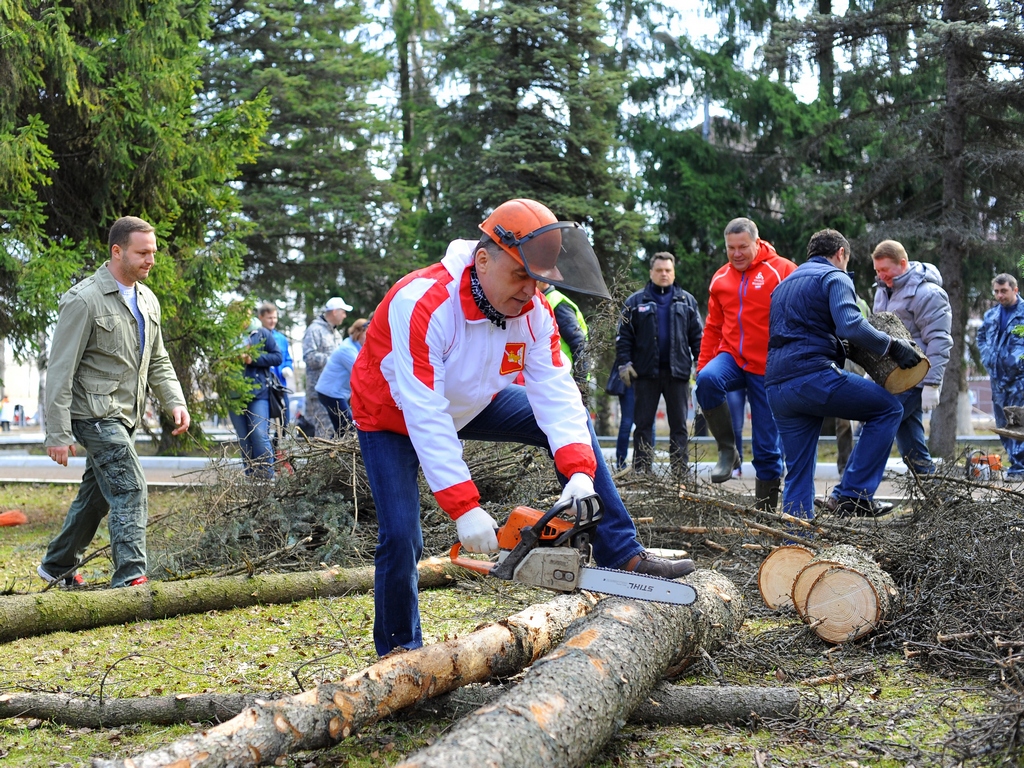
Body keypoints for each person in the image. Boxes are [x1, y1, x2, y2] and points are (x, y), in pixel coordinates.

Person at [349, 198, 695, 657]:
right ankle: (399, 652)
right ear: (484, 259)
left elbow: (556, 392)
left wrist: (578, 474)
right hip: (393, 414)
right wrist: (464, 506)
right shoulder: (423, 302)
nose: (530, 290)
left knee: (571, 432)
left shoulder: (534, 312)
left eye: (538, 279)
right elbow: (425, 414)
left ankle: (621, 553)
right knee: (401, 534)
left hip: (472, 402)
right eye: (520, 276)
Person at [39, 216, 190, 588]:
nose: (150, 260)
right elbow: (60, 370)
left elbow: (157, 360)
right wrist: (57, 433)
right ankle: (130, 578)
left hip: (124, 418)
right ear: (117, 251)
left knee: (97, 497)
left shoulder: (147, 300)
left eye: (153, 253)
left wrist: (175, 401)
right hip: (93, 415)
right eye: (142, 253)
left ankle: (56, 566)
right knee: (130, 487)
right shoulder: (83, 299)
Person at [765, 229, 918, 518]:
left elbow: (799, 331)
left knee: (798, 473)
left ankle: (796, 543)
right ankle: (854, 495)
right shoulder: (834, 277)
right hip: (813, 378)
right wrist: (893, 346)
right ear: (841, 254)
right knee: (887, 409)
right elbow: (850, 324)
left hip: (777, 386)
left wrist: (837, 346)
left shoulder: (783, 286)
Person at [695, 218, 796, 511]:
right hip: (732, 357)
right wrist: (702, 367)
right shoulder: (720, 279)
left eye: (742, 247)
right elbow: (712, 327)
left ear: (757, 242)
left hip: (769, 366)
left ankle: (765, 512)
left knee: (766, 447)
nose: (736, 253)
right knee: (707, 381)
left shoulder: (782, 270)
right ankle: (728, 450)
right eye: (730, 248)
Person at [615, 253, 703, 479]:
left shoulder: (687, 301)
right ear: (651, 272)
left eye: (668, 270)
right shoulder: (635, 302)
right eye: (660, 270)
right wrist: (625, 363)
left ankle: (680, 472)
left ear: (673, 273)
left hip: (678, 374)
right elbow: (624, 337)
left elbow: (698, 338)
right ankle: (643, 470)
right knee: (642, 425)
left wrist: (700, 366)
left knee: (679, 426)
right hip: (645, 374)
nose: (664, 274)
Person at [871, 240, 953, 474]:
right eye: (877, 270)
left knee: (878, 424)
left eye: (885, 270)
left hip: (916, 378)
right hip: (893, 377)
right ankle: (938, 499)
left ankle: (849, 492)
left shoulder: (927, 293)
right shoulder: (882, 290)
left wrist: (932, 384)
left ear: (903, 263)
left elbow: (939, 339)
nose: (880, 275)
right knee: (911, 446)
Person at [977, 274, 1024, 479]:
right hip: (998, 380)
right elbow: (981, 337)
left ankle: (1020, 468)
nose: (999, 295)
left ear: (1015, 290)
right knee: (1003, 424)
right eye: (996, 291)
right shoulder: (991, 315)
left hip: (1020, 380)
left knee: (1019, 423)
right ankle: (1015, 465)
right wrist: (987, 356)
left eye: (1003, 290)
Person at [228, 318, 282, 478]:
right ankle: (251, 478)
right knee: (244, 438)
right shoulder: (226, 335)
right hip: (233, 394)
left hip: (258, 393)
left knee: (259, 434)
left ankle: (267, 477)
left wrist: (253, 359)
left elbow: (277, 357)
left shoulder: (261, 333)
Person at [302, 296, 350, 437]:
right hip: (319, 392)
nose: (345, 315)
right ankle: (323, 460)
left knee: (340, 431)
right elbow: (309, 357)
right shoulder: (314, 330)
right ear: (335, 312)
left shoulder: (336, 334)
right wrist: (333, 359)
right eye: (343, 311)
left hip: (336, 392)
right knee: (324, 431)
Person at [315, 317, 368, 436]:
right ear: (359, 332)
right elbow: (361, 373)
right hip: (331, 393)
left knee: (341, 430)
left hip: (335, 393)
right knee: (349, 428)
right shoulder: (347, 349)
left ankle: (332, 453)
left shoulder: (356, 347)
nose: (369, 337)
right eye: (367, 334)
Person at [537, 281, 589, 388]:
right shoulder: (543, 301)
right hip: (555, 377)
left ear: (542, 280)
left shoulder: (557, 303)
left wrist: (580, 381)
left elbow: (579, 344)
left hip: (566, 379)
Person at [258, 302, 294, 425]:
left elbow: (287, 358)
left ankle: (278, 443)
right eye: (269, 318)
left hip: (280, 386)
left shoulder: (281, 338)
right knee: (265, 422)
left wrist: (288, 368)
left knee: (285, 419)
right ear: (261, 318)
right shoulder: (257, 337)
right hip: (264, 387)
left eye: (275, 317)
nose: (273, 321)